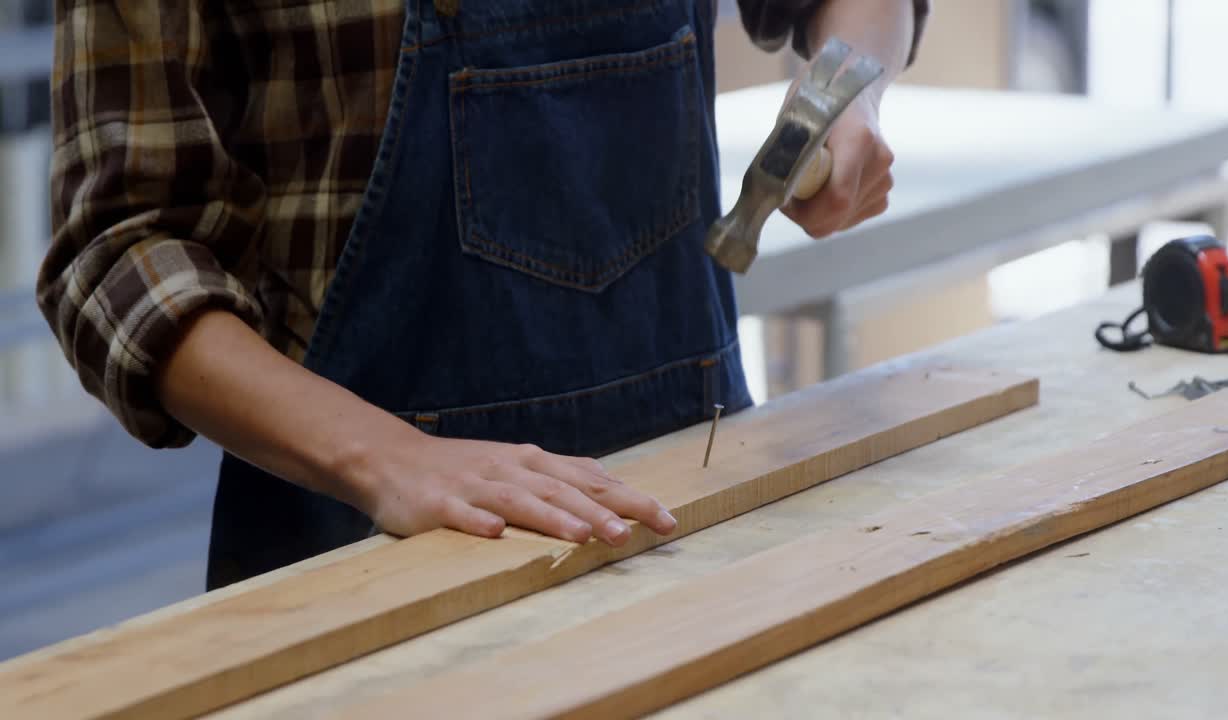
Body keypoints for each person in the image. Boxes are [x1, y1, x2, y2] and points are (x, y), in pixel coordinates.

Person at [39, 0, 929, 589]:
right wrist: (389, 460)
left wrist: (848, 91)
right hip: (365, 553)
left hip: (688, 525)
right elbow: (119, 251)